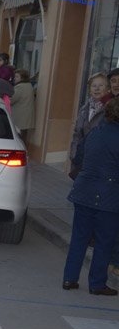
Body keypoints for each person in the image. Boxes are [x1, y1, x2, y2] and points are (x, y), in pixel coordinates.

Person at [63, 98, 119, 295]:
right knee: (104, 241)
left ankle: (69, 278)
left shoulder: (95, 132)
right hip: (109, 196)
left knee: (79, 238)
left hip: (84, 191)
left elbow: (78, 157)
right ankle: (96, 283)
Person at [69, 73, 111, 180]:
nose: (97, 88)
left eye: (101, 85)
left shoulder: (110, 110)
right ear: (89, 89)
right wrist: (73, 154)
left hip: (99, 161)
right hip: (81, 158)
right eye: (94, 85)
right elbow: (77, 134)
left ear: (107, 89)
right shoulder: (84, 109)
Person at [11, 69, 35, 141]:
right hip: (26, 116)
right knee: (24, 136)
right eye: (15, 76)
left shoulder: (19, 87)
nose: (14, 78)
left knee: (18, 137)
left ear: (22, 78)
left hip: (20, 116)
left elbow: (12, 100)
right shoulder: (29, 85)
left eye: (17, 76)